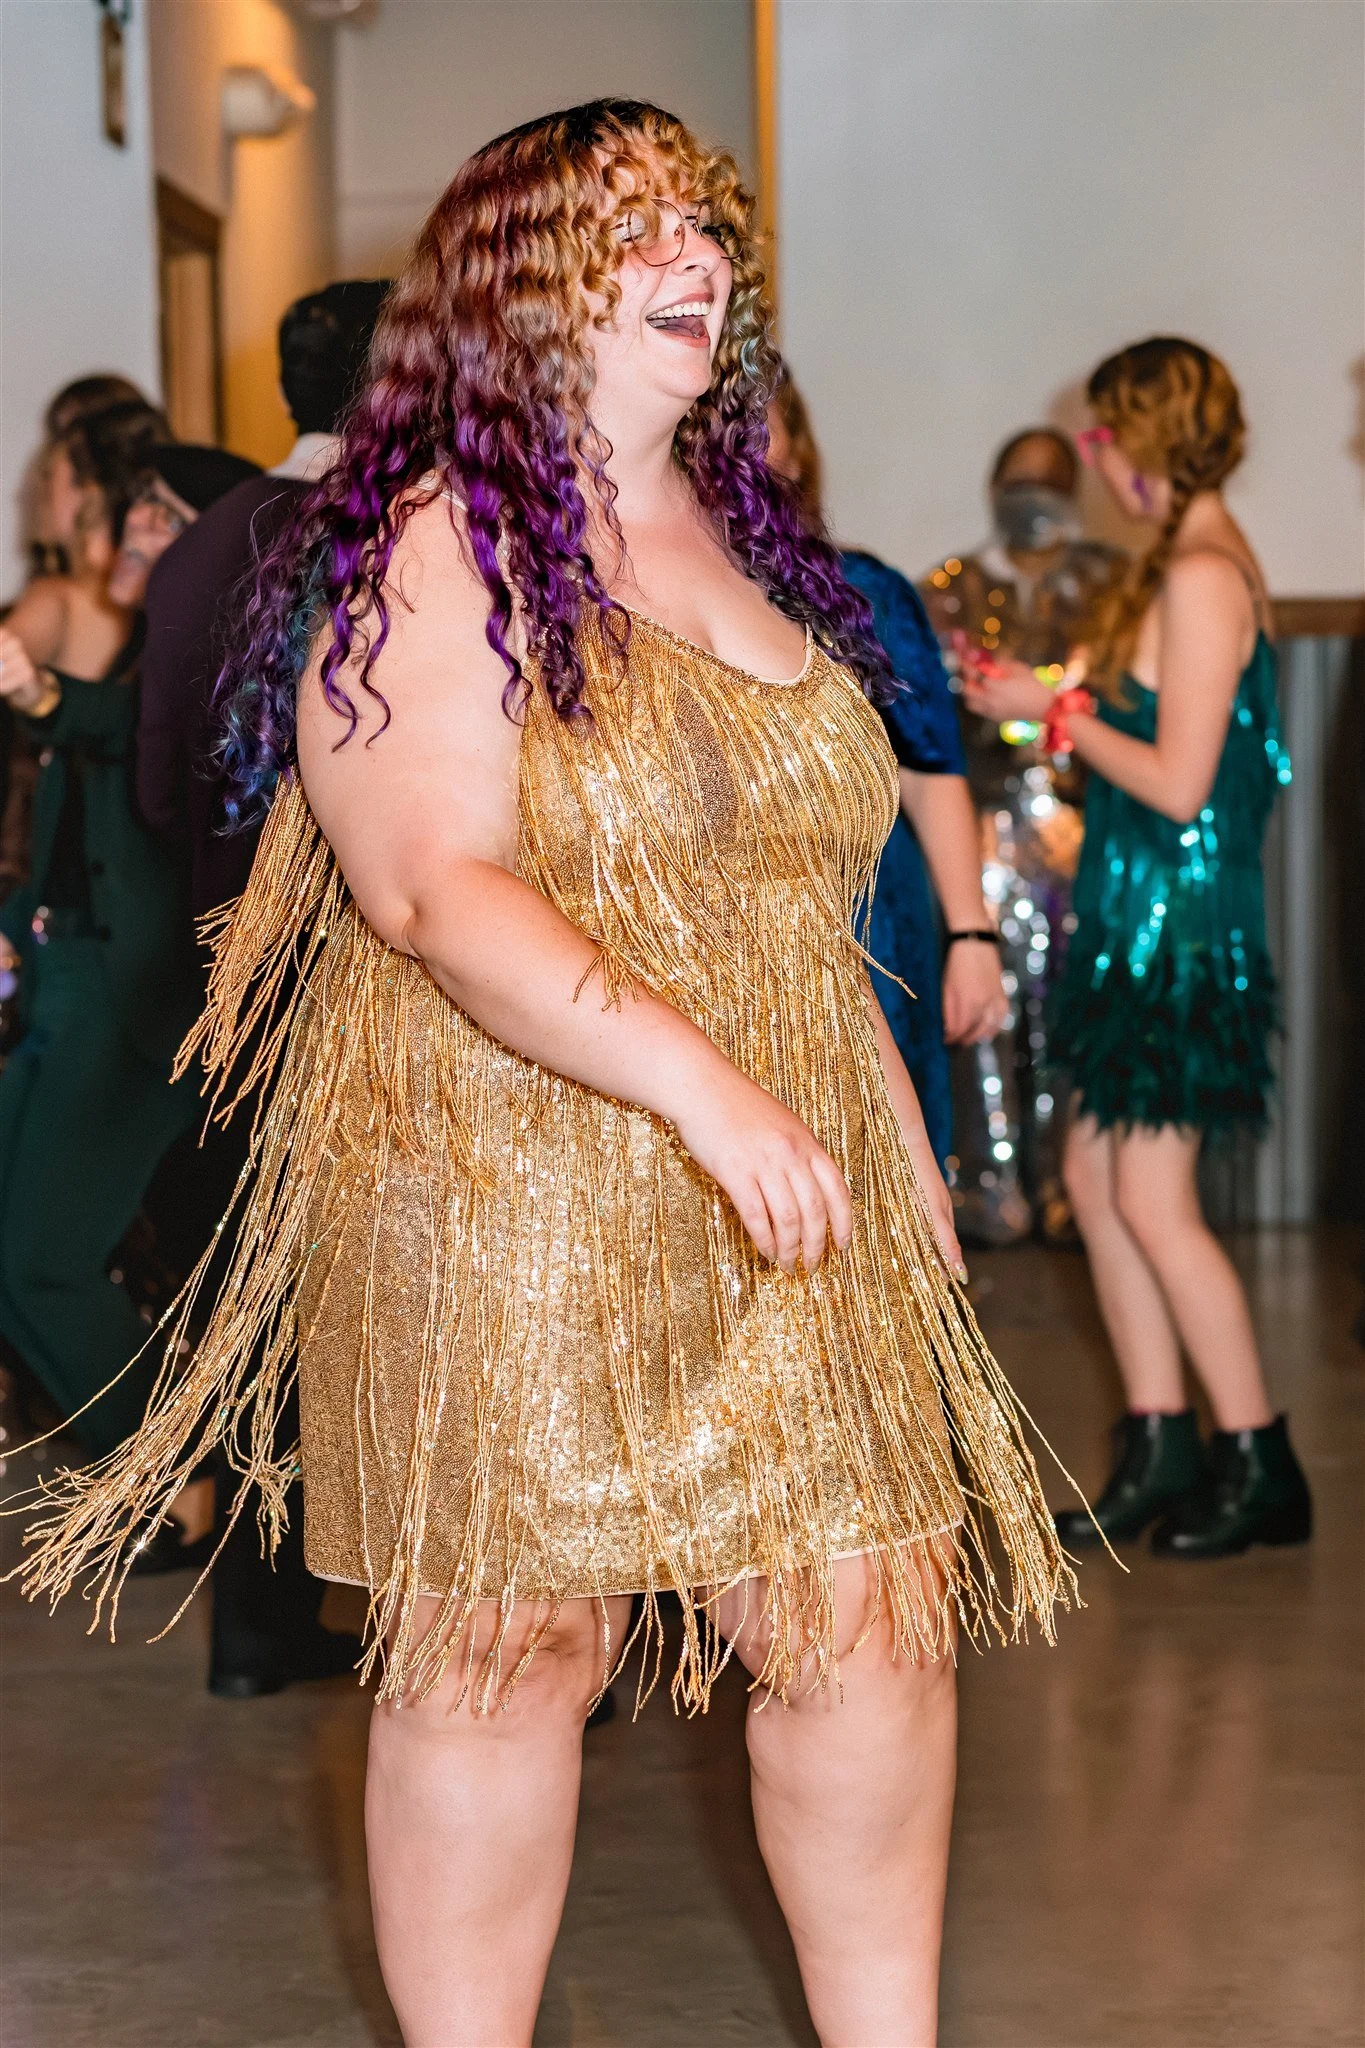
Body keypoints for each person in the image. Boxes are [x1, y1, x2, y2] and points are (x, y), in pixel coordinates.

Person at [21, 103, 1074, 2046]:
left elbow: (785, 898)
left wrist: (872, 1113)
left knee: (867, 1628)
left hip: (782, 1167)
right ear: (515, 279)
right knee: (508, 1645)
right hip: (504, 1179)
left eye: (706, 220)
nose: (696, 251)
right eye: (635, 226)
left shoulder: (754, 545)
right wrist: (707, 1088)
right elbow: (434, 888)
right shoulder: (419, 545)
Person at [963, 336, 1311, 1559]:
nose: (1097, 457)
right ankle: (1161, 1444)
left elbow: (1177, 781)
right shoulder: (1188, 566)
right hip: (1138, 921)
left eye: (1108, 433)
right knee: (1107, 1187)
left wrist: (1046, 711)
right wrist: (1051, 690)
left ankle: (1259, 1455)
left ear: (1146, 439)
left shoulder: (1204, 574)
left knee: (1152, 1202)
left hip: (1179, 933)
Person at [135, 280, 388, 1693]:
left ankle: (257, 1626)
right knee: (426, 1294)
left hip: (242, 968)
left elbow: (165, 780)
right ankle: (481, 1625)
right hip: (395, 969)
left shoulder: (206, 542)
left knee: (265, 1289)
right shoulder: (419, 531)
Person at [0, 431, 257, 1568]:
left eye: (158, 513)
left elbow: (116, 736)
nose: (130, 530)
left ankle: (188, 1462)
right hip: (67, 981)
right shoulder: (149, 659)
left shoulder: (210, 666)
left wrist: (48, 691)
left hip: (129, 1003)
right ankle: (173, 1466)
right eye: (132, 508)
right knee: (19, 1259)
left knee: (44, 1260)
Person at [766, 369, 1008, 1169]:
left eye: (759, 428)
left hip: (870, 912)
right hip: (730, 920)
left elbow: (930, 766)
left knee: (885, 1170)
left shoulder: (860, 589)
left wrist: (971, 933)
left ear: (798, 449)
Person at [922, 428, 1125, 1246]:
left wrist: (1039, 700)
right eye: (1017, 483)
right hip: (981, 831)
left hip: (1084, 832)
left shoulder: (1113, 589)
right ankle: (988, 1185)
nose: (1031, 502)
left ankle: (1073, 1190)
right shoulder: (947, 587)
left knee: (1074, 1006)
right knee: (984, 1010)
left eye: (1047, 485)